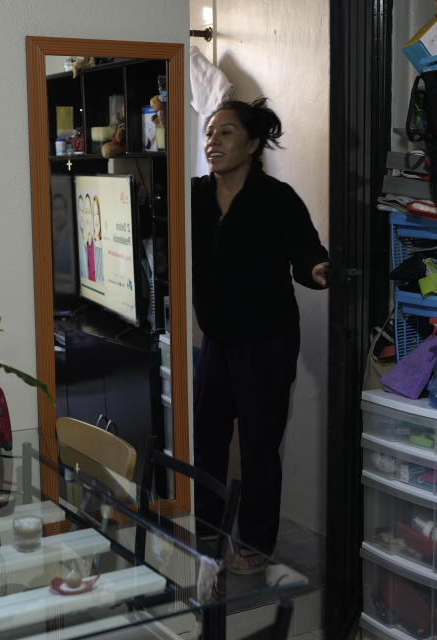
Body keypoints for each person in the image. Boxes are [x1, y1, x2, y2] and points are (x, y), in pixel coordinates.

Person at [191, 97, 330, 574]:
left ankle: (255, 543)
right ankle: (206, 531)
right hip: (216, 339)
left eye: (226, 132)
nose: (214, 141)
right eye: (210, 132)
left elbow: (307, 254)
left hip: (267, 341)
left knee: (257, 445)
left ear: (252, 145)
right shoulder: (192, 196)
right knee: (207, 440)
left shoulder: (277, 198)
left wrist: (320, 269)